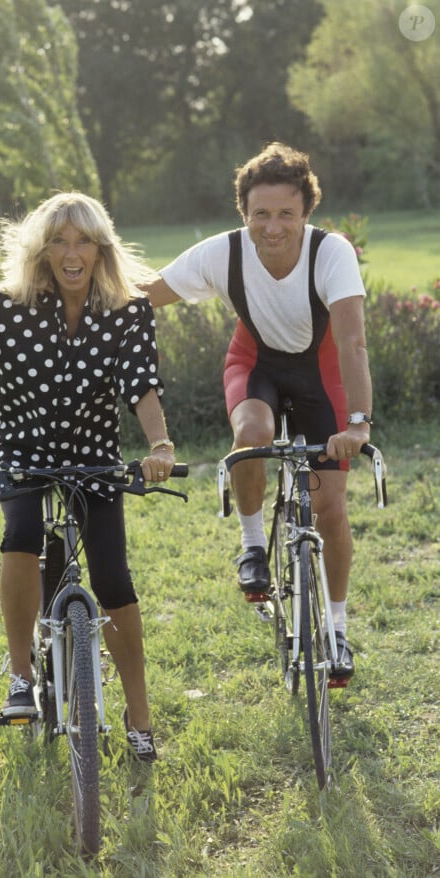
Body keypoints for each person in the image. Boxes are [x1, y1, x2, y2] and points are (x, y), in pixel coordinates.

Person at [0, 189, 176, 761]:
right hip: (21, 451)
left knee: (113, 581)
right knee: (22, 535)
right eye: (58, 240)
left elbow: (140, 385)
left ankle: (139, 713)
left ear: (100, 247)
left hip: (94, 457)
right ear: (42, 251)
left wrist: (159, 443)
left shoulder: (128, 311)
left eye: (82, 239)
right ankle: (20, 678)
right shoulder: (11, 305)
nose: (71, 252)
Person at [144, 142, 373, 680]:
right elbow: (144, 292)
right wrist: (64, 281)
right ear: (244, 213)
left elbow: (352, 343)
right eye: (260, 214)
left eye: (286, 214)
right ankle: (252, 547)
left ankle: (336, 631)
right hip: (256, 362)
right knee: (251, 432)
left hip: (323, 373)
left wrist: (358, 425)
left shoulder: (331, 253)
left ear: (306, 213)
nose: (273, 227)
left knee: (331, 509)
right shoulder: (221, 253)